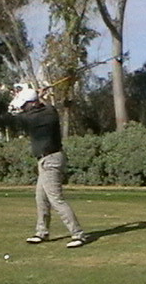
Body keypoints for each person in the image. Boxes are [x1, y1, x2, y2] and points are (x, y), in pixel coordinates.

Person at [8, 84, 87, 248]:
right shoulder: (50, 112)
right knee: (41, 198)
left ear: (32, 104)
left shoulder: (31, 118)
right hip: (47, 159)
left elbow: (13, 113)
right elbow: (43, 105)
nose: (24, 108)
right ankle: (41, 232)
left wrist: (24, 96)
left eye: (25, 105)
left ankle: (78, 234)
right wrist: (40, 96)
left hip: (50, 160)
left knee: (56, 199)